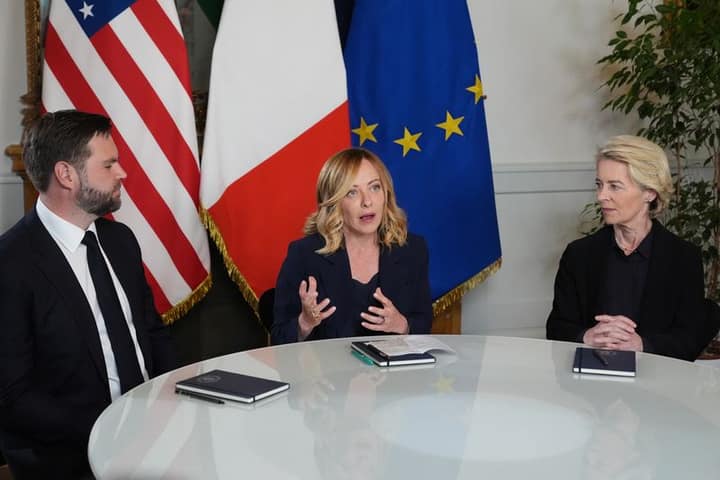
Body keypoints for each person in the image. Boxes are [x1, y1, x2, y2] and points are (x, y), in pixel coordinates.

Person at [0, 110, 176, 479]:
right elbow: (13, 396)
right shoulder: (10, 263)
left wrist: (171, 405)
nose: (122, 173)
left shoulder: (120, 240)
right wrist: (113, 429)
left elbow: (151, 333)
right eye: (108, 165)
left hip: (152, 439)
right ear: (66, 175)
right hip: (68, 459)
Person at [546, 135, 711, 361]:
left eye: (615, 186)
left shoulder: (683, 258)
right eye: (599, 184)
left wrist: (642, 345)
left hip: (657, 380)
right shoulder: (579, 254)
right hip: (589, 380)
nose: (601, 196)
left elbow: (689, 338)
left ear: (650, 192)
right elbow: (556, 327)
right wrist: (586, 337)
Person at [271, 147, 432, 344]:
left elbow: (424, 323)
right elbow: (278, 338)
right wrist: (304, 323)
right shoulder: (304, 255)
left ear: (386, 194)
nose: (367, 202)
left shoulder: (412, 250)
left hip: (391, 364)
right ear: (334, 202)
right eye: (352, 192)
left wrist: (403, 325)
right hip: (328, 365)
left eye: (374, 187)